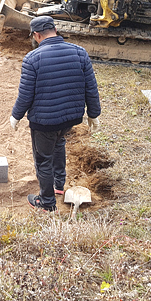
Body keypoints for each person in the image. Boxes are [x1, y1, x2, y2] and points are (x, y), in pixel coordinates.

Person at [10, 16, 101, 212]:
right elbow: (91, 88)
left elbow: (25, 95)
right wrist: (94, 114)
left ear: (37, 35)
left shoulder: (32, 59)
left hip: (44, 122)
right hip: (70, 118)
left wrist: (16, 116)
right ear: (56, 29)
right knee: (59, 144)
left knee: (43, 159)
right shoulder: (79, 53)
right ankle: (59, 185)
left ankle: (47, 203)